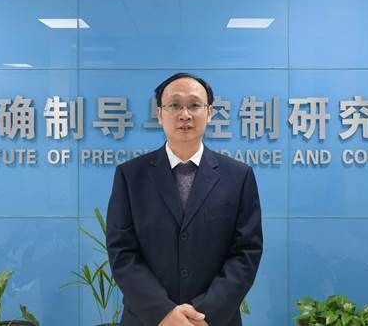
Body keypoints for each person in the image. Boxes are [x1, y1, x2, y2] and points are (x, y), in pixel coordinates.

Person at [106, 72, 263, 326]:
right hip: (147, 319)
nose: (185, 115)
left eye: (194, 105)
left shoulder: (238, 176)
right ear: (159, 114)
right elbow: (122, 252)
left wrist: (206, 313)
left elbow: (246, 252)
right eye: (175, 105)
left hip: (214, 321)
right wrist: (163, 312)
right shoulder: (130, 176)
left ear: (209, 113)